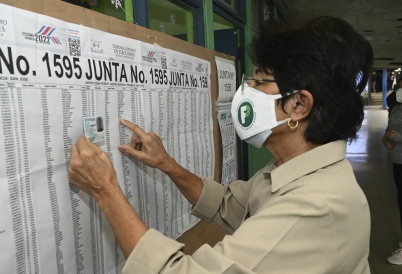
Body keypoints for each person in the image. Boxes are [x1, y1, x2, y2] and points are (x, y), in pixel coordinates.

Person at [69, 16, 373, 273]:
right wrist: (167, 164)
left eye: (260, 81)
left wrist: (105, 191)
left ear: (298, 105)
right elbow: (229, 204)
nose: (247, 89)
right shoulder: (291, 168)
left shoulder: (316, 206)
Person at [383, 86, 402, 265]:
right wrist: (386, 139)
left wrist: (398, 137)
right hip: (397, 161)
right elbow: (389, 130)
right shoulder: (396, 108)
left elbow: (397, 134)